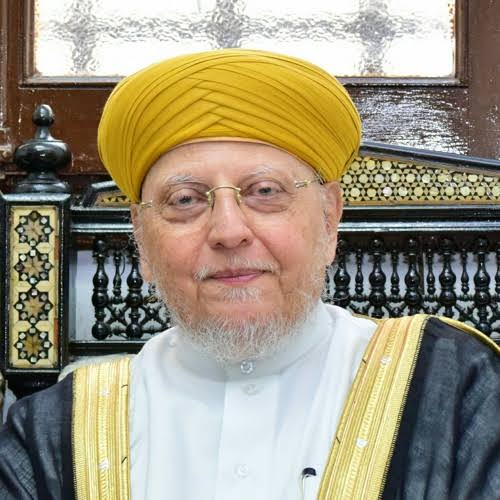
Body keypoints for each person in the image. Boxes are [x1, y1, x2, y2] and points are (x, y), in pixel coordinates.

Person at [0, 49, 498, 500]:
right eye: (185, 200)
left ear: (329, 218)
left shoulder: (454, 387)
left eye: (265, 192)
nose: (229, 231)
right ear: (142, 240)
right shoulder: (52, 433)